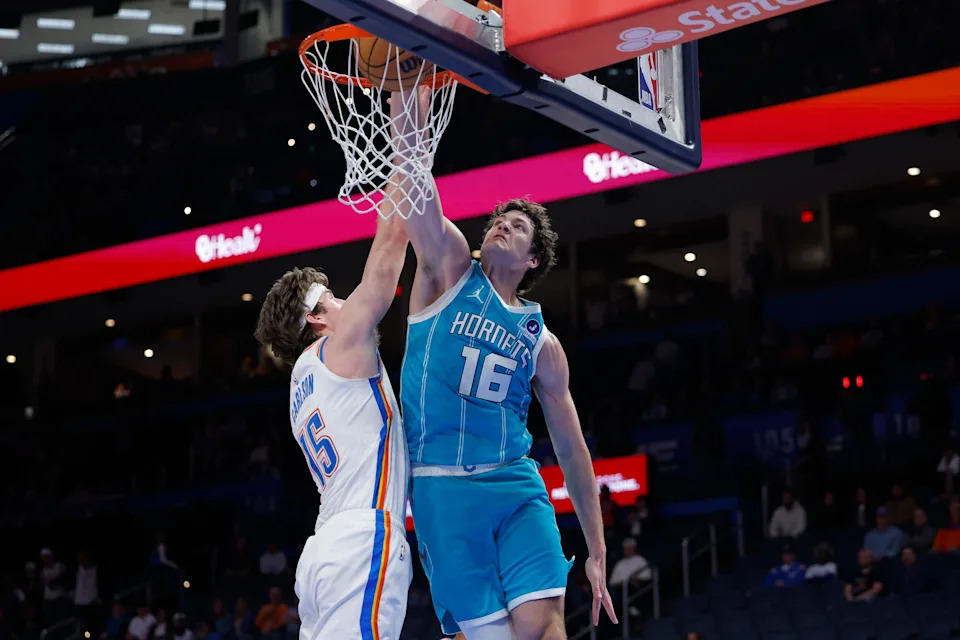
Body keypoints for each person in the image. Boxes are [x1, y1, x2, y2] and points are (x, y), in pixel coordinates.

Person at [396, 87, 616, 639]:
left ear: (533, 259)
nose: (502, 226)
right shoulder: (447, 270)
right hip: (443, 487)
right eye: (499, 220)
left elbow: (571, 448)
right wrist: (403, 94)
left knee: (543, 627)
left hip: (515, 485)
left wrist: (596, 549)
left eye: (517, 227)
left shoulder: (543, 343)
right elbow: (416, 184)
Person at [254, 193, 411, 638]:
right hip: (362, 537)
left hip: (324, 550)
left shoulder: (300, 383)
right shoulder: (338, 348)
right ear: (315, 318)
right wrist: (407, 168)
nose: (345, 302)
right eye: (333, 298)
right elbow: (387, 256)